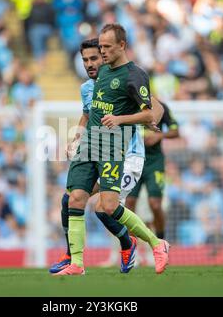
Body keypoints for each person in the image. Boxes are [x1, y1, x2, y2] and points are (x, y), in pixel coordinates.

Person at [55, 23, 170, 276]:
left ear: (120, 46)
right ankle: (75, 261)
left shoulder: (129, 74)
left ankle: (150, 242)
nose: (92, 62)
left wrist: (143, 118)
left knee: (107, 207)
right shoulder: (93, 81)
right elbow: (88, 113)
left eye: (100, 52)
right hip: (90, 145)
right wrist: (76, 138)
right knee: (73, 198)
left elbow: (154, 108)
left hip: (121, 151)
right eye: (87, 59)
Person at [125, 102, 179, 240]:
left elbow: (175, 131)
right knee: (129, 203)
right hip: (132, 159)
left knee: (155, 204)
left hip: (154, 162)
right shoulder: (126, 103)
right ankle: (131, 247)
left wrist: (159, 136)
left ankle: (161, 240)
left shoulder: (160, 106)